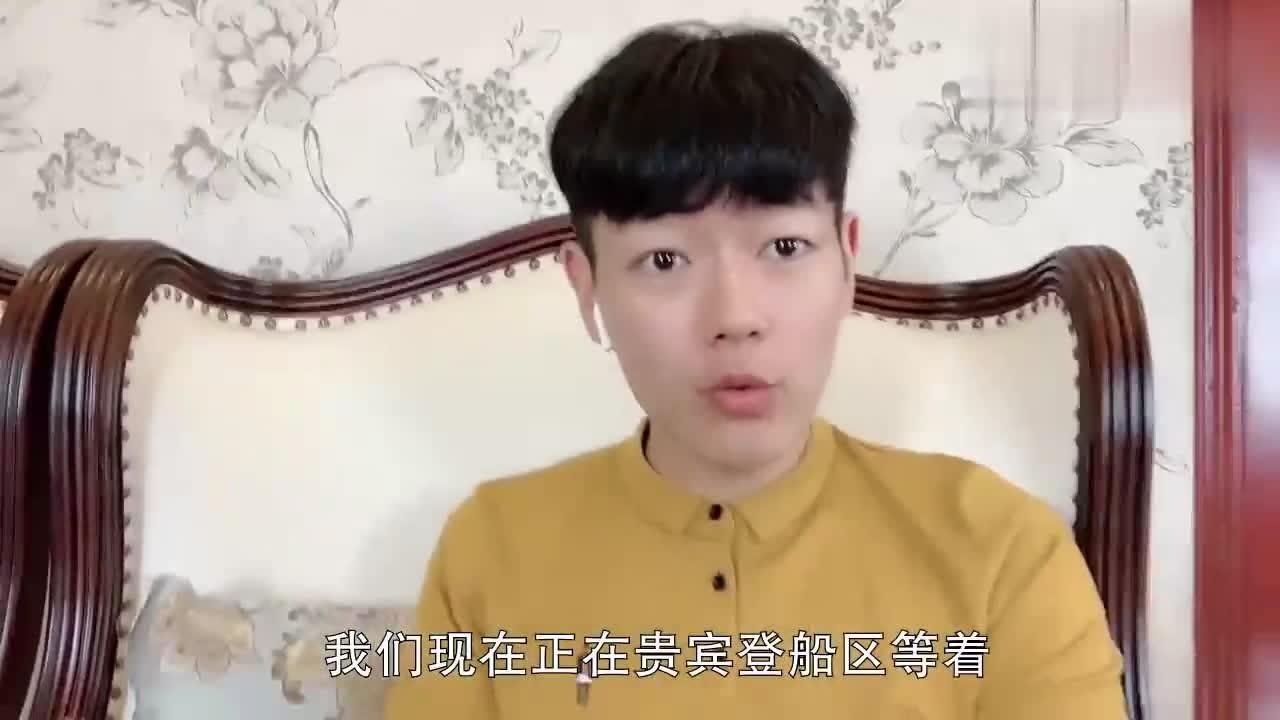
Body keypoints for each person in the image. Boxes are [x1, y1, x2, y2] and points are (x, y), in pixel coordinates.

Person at [384, 20, 1127, 720]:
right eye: (664, 260)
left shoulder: (1002, 552)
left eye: (783, 248)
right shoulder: (489, 552)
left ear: (847, 262)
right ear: (588, 286)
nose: (735, 317)